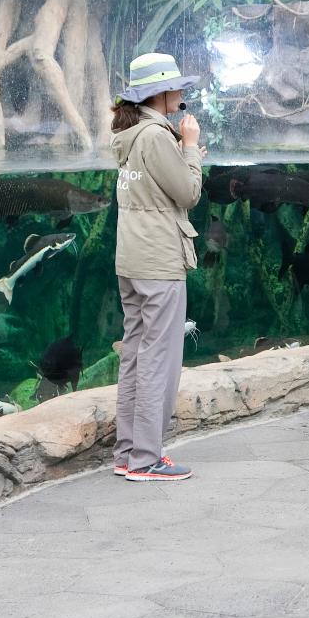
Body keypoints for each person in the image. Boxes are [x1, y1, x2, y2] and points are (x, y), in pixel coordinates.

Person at [110, 53, 204, 482]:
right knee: (158, 358)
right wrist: (189, 148)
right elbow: (187, 194)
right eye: (177, 87)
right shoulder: (155, 136)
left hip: (131, 259)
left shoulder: (129, 133)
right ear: (161, 92)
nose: (182, 94)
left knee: (135, 353)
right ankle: (147, 460)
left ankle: (127, 453)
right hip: (158, 261)